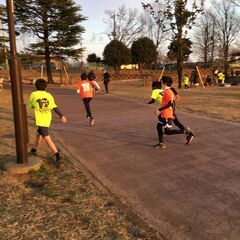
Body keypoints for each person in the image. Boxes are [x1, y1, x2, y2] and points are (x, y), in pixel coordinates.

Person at [28, 78, 67, 162]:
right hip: (47, 118)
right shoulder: (49, 95)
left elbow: (31, 105)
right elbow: (54, 107)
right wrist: (61, 115)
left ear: (36, 86)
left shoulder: (33, 94)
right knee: (38, 134)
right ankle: (34, 149)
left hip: (41, 120)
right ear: (46, 87)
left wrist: (36, 106)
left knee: (46, 137)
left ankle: (57, 154)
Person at [154, 76, 195, 149]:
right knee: (160, 126)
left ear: (165, 83)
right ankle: (161, 143)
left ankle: (187, 132)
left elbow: (170, 103)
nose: (161, 84)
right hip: (167, 112)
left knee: (167, 132)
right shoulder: (168, 90)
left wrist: (159, 110)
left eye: (162, 83)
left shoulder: (168, 92)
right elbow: (171, 98)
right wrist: (176, 96)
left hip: (167, 113)